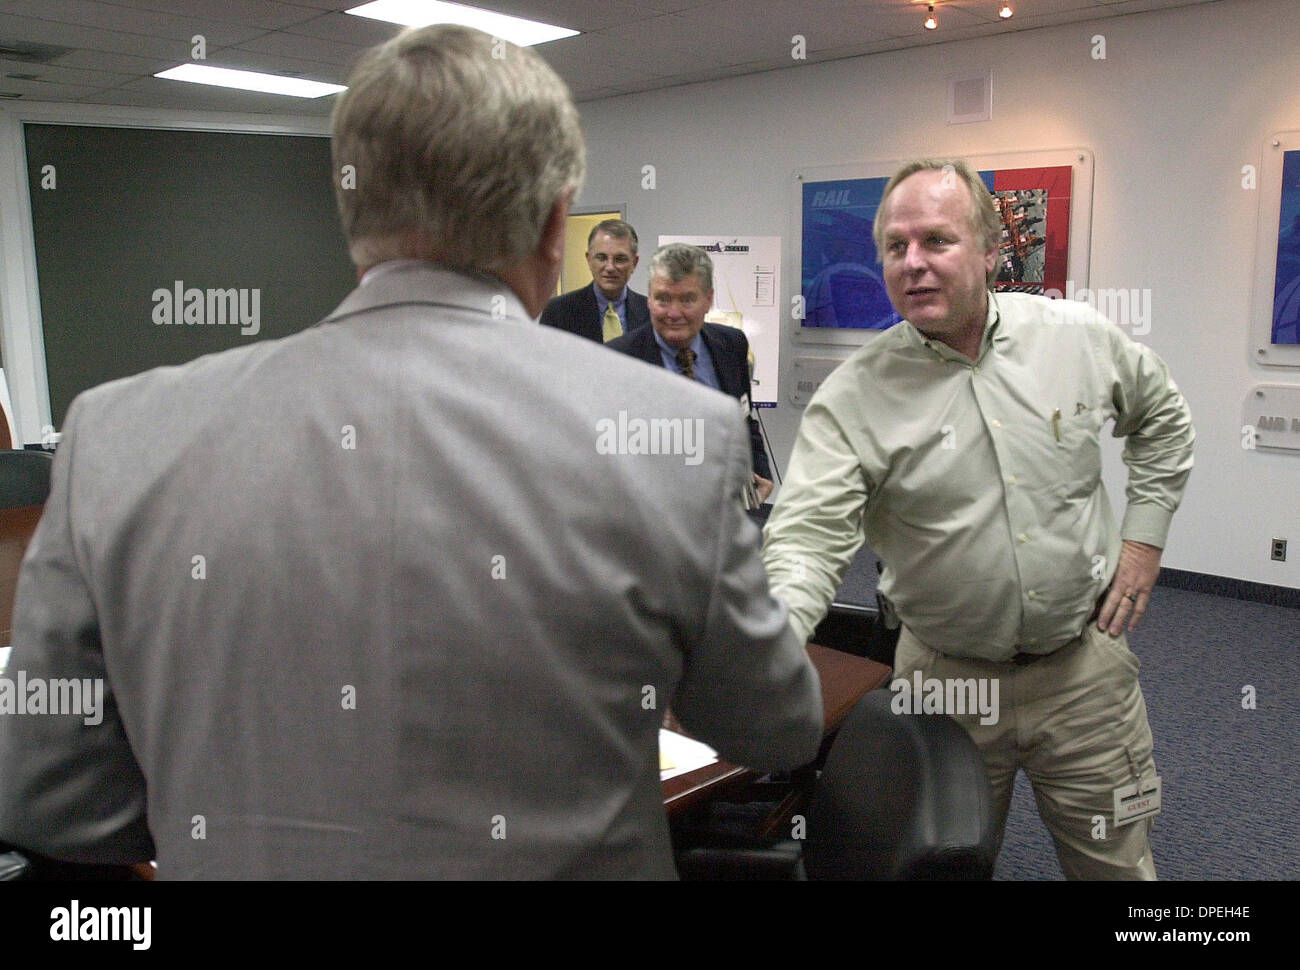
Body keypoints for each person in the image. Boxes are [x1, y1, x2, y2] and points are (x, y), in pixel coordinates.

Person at [0, 25, 821, 880]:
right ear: (553, 225)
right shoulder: (679, 438)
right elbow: (778, 727)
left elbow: (51, 799)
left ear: (353, 208)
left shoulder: (117, 436)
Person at [762, 158, 1194, 880]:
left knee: (1117, 867)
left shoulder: (1075, 339)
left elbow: (1163, 421)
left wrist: (1143, 541)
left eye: (938, 240)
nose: (914, 263)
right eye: (896, 247)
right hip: (945, 686)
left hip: (1082, 672)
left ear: (993, 251)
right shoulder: (854, 397)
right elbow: (805, 541)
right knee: (942, 868)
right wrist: (767, 650)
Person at [608, 243, 774, 503]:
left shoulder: (731, 344)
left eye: (687, 299)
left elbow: (744, 419)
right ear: (649, 298)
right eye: (663, 299)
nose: (674, 313)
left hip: (726, 508)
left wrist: (760, 476)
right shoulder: (618, 358)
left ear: (708, 300)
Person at [539, 219, 649, 342]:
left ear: (634, 263)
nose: (610, 267)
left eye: (620, 259)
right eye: (601, 258)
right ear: (589, 259)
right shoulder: (558, 311)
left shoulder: (651, 312)